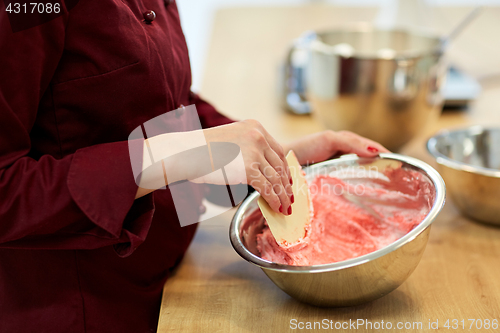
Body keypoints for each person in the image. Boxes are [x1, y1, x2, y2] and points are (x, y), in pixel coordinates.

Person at [0, 1, 388, 332]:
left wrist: (274, 160)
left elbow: (152, 102)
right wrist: (174, 154)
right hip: (85, 311)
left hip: (172, 280)